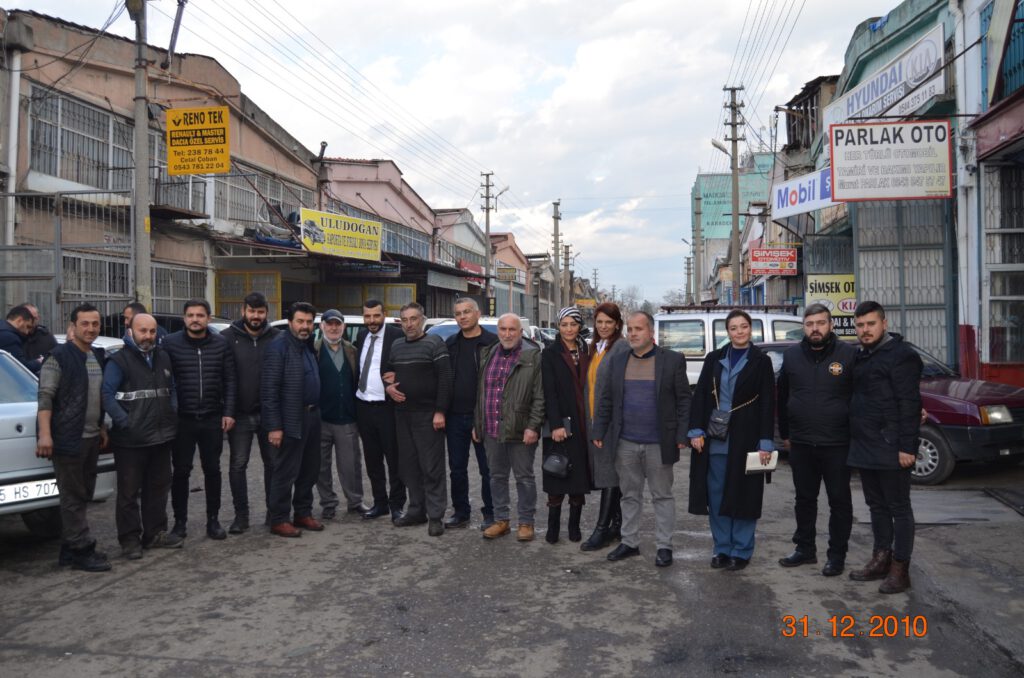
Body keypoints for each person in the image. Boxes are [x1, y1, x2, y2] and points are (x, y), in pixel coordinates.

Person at [591, 311, 690, 567]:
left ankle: (664, 546)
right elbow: (606, 399)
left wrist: (682, 435)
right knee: (629, 495)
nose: (633, 334)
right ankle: (629, 542)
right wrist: (599, 430)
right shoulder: (618, 360)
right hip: (625, 443)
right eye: (630, 329)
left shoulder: (672, 360)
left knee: (662, 496)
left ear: (651, 332)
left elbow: (683, 401)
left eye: (639, 329)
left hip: (659, 444)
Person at [688, 309, 776, 571]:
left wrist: (766, 441)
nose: (739, 332)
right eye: (734, 328)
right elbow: (701, 395)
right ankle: (721, 548)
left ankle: (741, 549)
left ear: (751, 329)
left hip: (747, 438)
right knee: (716, 495)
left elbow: (767, 404)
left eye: (744, 326)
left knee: (744, 494)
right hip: (716, 439)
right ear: (727, 332)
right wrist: (695, 430)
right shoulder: (715, 358)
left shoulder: (761, 361)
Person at [847, 301, 923, 594]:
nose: (865, 330)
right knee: (876, 506)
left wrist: (907, 446)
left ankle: (900, 570)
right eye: (860, 325)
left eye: (870, 324)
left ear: (884, 324)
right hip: (866, 444)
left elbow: (909, 403)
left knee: (899, 508)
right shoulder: (861, 355)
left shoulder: (902, 356)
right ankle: (881, 559)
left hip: (892, 447)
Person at [776, 303, 856, 576]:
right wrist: (786, 434)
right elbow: (782, 396)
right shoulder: (791, 356)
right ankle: (805, 549)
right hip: (802, 443)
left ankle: (837, 555)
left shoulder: (848, 354)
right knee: (804, 499)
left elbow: (861, 396)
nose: (815, 329)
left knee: (839, 501)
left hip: (837, 443)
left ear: (830, 325)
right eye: (810, 324)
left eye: (821, 323)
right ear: (804, 327)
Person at [35, 303, 111, 572]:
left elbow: (96, 398)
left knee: (84, 493)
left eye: (95, 324)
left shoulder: (97, 356)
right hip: (67, 438)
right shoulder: (58, 357)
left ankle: (68, 550)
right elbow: (45, 397)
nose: (90, 329)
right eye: (85, 324)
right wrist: (45, 435)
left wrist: (101, 427)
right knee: (73, 496)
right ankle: (81, 550)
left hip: (91, 437)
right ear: (73, 327)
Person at [102, 312, 182, 558]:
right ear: (130, 332)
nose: (148, 336)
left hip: (161, 436)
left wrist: (172, 412)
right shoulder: (119, 361)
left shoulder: (163, 357)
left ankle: (155, 533)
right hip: (131, 440)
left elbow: (172, 389)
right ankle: (129, 540)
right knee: (129, 493)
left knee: (158, 488)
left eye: (151, 331)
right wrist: (125, 422)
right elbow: (106, 394)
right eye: (142, 331)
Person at [162, 299, 237, 541]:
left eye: (200, 315)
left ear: (209, 318)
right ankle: (180, 522)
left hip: (212, 418)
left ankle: (213, 521)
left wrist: (229, 412)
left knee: (213, 469)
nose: (195, 319)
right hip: (182, 419)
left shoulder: (221, 343)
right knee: (181, 471)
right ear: (184, 318)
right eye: (191, 315)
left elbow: (230, 380)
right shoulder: (170, 344)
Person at [383, 302, 453, 536]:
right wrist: (389, 388)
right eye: (405, 319)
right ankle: (416, 510)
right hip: (402, 416)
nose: (409, 324)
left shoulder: (434, 343)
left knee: (432, 468)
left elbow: (445, 378)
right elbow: (390, 374)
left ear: (422, 319)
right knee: (409, 467)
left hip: (428, 416)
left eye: (414, 318)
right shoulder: (396, 345)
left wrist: (440, 411)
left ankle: (435, 516)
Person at [473, 313, 545, 542]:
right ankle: (501, 520)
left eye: (512, 329)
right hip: (492, 428)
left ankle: (526, 522)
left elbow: (539, 397)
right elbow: (480, 393)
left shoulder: (533, 356)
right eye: (502, 329)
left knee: (524, 477)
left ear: (520, 332)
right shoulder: (489, 353)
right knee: (496, 476)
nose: (507, 334)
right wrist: (478, 423)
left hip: (521, 429)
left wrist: (533, 426)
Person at [262, 302, 324, 538]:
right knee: (285, 471)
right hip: (290, 420)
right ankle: (278, 519)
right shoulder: (278, 347)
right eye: (300, 321)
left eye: (309, 322)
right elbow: (269, 390)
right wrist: (274, 426)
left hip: (312, 416)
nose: (305, 326)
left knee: (309, 469)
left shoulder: (306, 346)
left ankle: (303, 513)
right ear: (290, 323)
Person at [223, 292, 280, 533]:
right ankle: (241, 516)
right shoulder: (226, 338)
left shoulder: (278, 338)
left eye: (260, 312)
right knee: (238, 465)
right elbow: (223, 378)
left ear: (266, 313)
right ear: (243, 311)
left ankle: (274, 513)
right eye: (251, 311)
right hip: (240, 414)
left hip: (270, 415)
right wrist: (227, 410)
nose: (255, 316)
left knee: (274, 465)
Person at [443, 297, 498, 530]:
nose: (462, 316)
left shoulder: (491, 343)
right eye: (458, 313)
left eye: (467, 312)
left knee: (488, 469)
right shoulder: (451, 343)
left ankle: (491, 513)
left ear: (478, 313)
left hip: (483, 416)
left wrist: (485, 416)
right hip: (455, 416)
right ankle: (461, 512)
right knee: (457, 468)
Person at [540, 307, 591, 544]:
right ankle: (552, 527)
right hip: (559, 423)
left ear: (579, 326)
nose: (568, 329)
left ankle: (574, 526)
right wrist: (556, 424)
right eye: (564, 325)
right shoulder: (550, 353)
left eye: (573, 324)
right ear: (558, 326)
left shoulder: (587, 350)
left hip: (582, 425)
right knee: (556, 471)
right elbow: (549, 392)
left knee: (578, 478)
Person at [581, 302, 629, 552]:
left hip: (611, 423)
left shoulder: (620, 347)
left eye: (608, 322)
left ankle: (601, 529)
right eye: (599, 322)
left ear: (617, 324)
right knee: (608, 474)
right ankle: (617, 525)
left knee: (610, 475)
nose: (603, 326)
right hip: (594, 420)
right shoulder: (596, 347)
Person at [354, 299, 406, 520]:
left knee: (394, 459)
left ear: (384, 314)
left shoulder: (396, 335)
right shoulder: (361, 336)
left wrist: (399, 376)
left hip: (387, 408)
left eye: (376, 316)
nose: (372, 321)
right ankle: (380, 503)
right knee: (372, 460)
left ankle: (396, 505)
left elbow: (408, 364)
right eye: (367, 316)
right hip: (364, 406)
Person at [314, 309, 368, 520]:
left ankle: (355, 502)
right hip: (320, 419)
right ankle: (328, 503)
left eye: (337, 324)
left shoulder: (352, 351)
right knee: (321, 466)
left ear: (343, 327)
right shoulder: (314, 350)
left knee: (351, 464)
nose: (334, 328)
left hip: (346, 419)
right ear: (322, 326)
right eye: (330, 324)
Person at [1, 304, 41, 373]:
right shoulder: (9, 337)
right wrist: (39, 362)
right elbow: (21, 368)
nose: (27, 332)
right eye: (27, 326)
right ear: (19, 320)